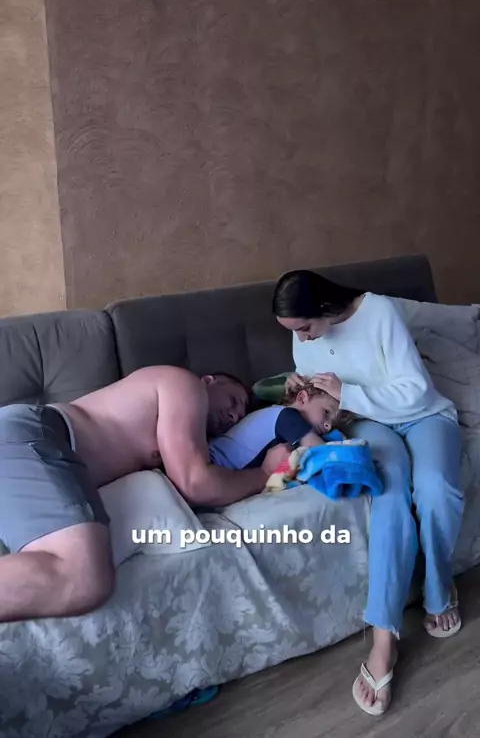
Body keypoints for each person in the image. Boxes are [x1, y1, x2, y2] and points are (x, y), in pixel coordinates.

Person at [273, 270, 464, 716]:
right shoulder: (305, 340)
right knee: (389, 495)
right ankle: (383, 639)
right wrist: (304, 390)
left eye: (304, 327)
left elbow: (416, 390)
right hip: (366, 423)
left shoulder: (378, 312)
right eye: (294, 332)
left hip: (423, 415)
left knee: (435, 489)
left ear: (322, 307)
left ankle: (439, 587)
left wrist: (347, 391)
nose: (302, 338)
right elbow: (321, 395)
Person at [0, 366, 284, 623]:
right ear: (209, 380)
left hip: (27, 457)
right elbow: (196, 483)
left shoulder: (185, 436)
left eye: (240, 416)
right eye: (233, 400)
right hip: (31, 433)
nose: (234, 415)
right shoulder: (183, 383)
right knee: (82, 577)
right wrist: (264, 473)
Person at [209, 376, 351, 471]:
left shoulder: (272, 414)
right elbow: (323, 453)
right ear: (302, 398)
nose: (328, 426)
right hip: (214, 465)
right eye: (326, 412)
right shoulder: (286, 416)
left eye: (332, 423)